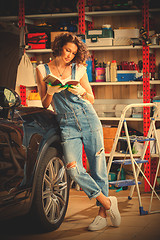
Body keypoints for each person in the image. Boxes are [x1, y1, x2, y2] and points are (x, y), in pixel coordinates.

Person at [36, 32, 121, 231]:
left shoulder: (79, 69)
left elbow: (91, 98)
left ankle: (101, 214)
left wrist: (82, 92)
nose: (69, 56)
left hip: (88, 120)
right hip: (66, 124)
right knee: (73, 169)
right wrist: (50, 91)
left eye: (73, 53)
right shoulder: (42, 70)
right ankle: (108, 203)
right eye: (67, 50)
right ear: (59, 47)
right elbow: (45, 103)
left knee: (98, 167)